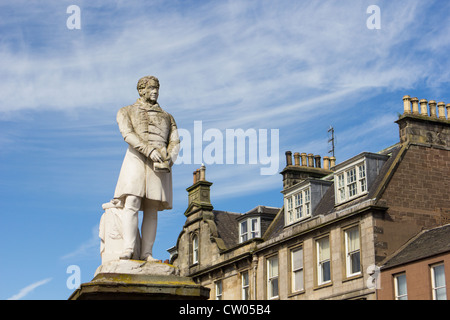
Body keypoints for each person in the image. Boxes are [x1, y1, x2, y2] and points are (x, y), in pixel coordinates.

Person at [113, 76, 179, 261]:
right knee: (132, 201)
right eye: (151, 88)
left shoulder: (168, 116)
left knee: (152, 207)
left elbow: (175, 140)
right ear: (141, 91)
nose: (155, 91)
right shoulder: (126, 111)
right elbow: (127, 134)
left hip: (159, 164)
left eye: (157, 88)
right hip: (136, 159)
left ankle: (147, 253)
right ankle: (128, 248)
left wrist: (170, 158)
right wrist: (149, 150)